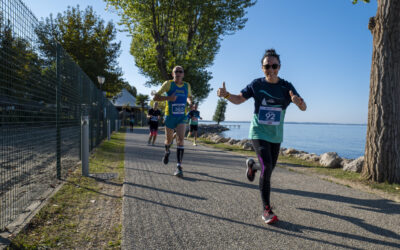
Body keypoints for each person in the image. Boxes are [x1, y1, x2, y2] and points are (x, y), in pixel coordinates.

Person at [217, 49, 307, 224]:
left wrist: (299, 103)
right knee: (267, 169)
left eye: (274, 66)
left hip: (276, 134)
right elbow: (239, 99)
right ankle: (266, 210)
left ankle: (252, 165)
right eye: (267, 66)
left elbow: (303, 107)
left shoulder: (286, 86)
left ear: (279, 67)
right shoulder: (257, 84)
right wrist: (226, 95)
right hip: (258, 132)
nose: (271, 69)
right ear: (262, 67)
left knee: (268, 169)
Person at [153, 66, 193, 177]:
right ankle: (167, 151)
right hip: (170, 116)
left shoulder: (187, 85)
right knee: (168, 139)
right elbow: (155, 98)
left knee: (180, 140)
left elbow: (189, 97)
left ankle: (179, 167)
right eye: (176, 71)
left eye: (181, 71)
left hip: (182, 116)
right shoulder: (168, 84)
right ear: (172, 74)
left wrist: (190, 103)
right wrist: (168, 98)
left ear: (183, 74)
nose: (179, 73)